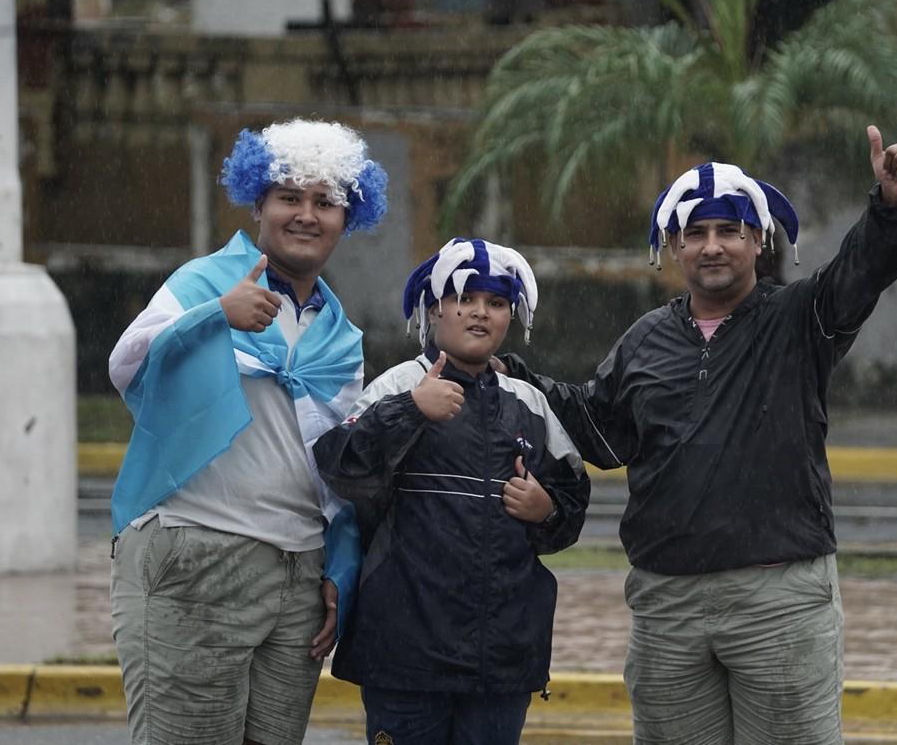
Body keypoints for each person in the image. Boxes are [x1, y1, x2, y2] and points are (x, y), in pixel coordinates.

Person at [498, 125, 897, 744]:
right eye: (695, 233)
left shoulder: (802, 317)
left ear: (759, 239)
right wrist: (514, 377)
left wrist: (891, 207)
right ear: (674, 247)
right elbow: (600, 430)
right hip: (666, 607)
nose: (713, 247)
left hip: (779, 602)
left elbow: (865, 270)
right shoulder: (644, 340)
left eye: (729, 231)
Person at [107, 118, 388, 745]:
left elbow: (335, 471)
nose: (306, 215)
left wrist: (339, 570)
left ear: (350, 216)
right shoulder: (203, 283)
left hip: (297, 582)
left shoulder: (340, 338)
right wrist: (216, 318)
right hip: (196, 556)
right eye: (289, 197)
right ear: (258, 200)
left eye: (326, 202)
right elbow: (129, 369)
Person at [313, 237, 591, 745]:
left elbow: (571, 508)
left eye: (497, 302)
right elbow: (340, 464)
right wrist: (412, 410)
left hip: (501, 663)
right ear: (433, 307)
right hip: (405, 658)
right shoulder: (397, 386)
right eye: (464, 298)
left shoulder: (528, 402)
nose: (480, 313)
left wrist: (546, 510)